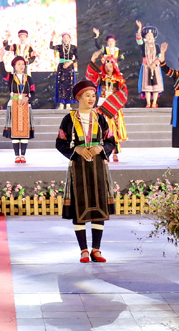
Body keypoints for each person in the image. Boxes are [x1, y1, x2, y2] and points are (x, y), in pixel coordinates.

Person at [56, 79, 117, 263]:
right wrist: (77, 150)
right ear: (79, 97)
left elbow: (111, 140)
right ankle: (83, 250)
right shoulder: (69, 119)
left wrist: (101, 148)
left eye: (93, 95)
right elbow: (60, 142)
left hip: (98, 166)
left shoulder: (100, 118)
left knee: (99, 204)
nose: (91, 99)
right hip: (78, 167)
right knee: (80, 205)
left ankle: (96, 249)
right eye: (87, 95)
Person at [87, 53, 128, 162]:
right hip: (103, 107)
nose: (108, 68)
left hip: (113, 107)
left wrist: (116, 100)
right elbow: (91, 77)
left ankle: (115, 152)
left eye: (110, 66)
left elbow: (124, 93)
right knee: (104, 130)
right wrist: (93, 59)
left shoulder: (119, 80)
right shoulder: (101, 78)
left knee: (114, 130)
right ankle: (105, 152)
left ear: (114, 67)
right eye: (106, 67)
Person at [0, 56, 36, 163]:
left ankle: (23, 155)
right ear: (14, 66)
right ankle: (16, 155)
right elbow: (2, 72)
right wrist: (1, 58)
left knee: (24, 130)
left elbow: (33, 92)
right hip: (14, 104)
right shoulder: (10, 78)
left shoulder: (28, 78)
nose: (21, 66)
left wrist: (27, 98)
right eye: (19, 64)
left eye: (23, 64)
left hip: (25, 105)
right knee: (15, 130)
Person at [134, 20, 165, 107]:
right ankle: (148, 102)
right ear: (145, 37)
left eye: (151, 35)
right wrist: (140, 28)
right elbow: (138, 40)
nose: (150, 37)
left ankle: (154, 102)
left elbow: (159, 57)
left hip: (155, 67)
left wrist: (155, 63)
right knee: (147, 86)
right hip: (146, 67)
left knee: (156, 86)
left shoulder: (157, 46)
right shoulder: (143, 45)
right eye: (148, 36)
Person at [49, 32, 78, 109]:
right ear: (62, 39)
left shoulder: (73, 47)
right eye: (64, 37)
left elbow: (77, 58)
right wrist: (52, 37)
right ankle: (61, 103)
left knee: (70, 84)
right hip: (61, 67)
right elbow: (51, 47)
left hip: (70, 67)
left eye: (67, 37)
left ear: (70, 39)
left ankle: (68, 104)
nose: (65, 39)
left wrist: (70, 62)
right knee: (61, 84)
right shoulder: (60, 47)